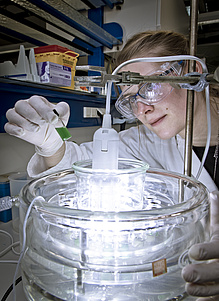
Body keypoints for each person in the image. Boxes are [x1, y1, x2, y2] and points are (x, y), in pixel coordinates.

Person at [4, 30, 219, 299]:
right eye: (131, 99)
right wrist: (52, 142)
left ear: (192, 72)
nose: (142, 110)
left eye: (149, 87)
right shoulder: (142, 140)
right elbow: (77, 166)